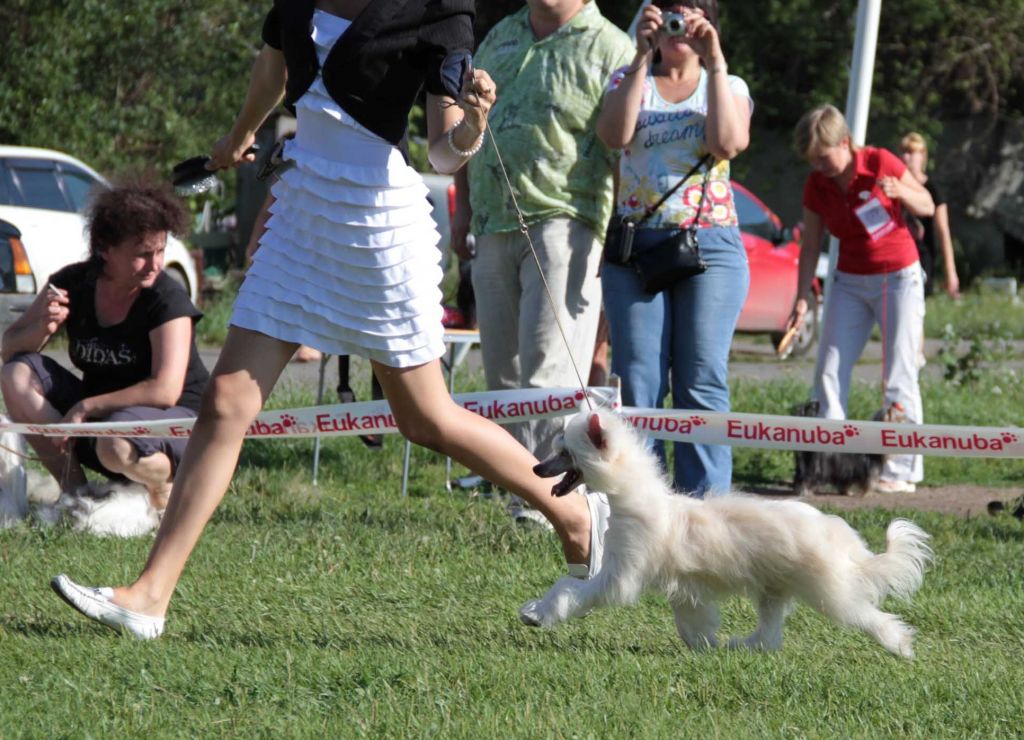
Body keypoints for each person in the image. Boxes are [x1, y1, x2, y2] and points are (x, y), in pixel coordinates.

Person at [51, 0, 607, 640]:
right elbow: (274, 68)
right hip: (301, 207)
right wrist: (236, 138)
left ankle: (576, 517)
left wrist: (473, 122)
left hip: (376, 224)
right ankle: (148, 598)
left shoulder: (438, 10)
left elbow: (446, 154)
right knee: (228, 401)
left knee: (426, 419)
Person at [451, 0, 633, 465]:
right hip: (492, 223)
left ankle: (553, 502)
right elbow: (467, 122)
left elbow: (625, 153)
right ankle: (517, 491)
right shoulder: (500, 35)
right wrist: (463, 209)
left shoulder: (612, 47)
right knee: (502, 378)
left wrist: (618, 241)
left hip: (567, 224)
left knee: (548, 376)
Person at [594, 1, 752, 497]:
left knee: (700, 381)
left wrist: (716, 60)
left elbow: (727, 143)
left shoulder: (729, 85)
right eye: (668, 18)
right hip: (637, 246)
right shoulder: (626, 78)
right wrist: (640, 58)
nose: (677, 30)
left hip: (710, 246)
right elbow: (613, 136)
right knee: (637, 384)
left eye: (690, 17)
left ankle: (708, 518)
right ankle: (644, 509)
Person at [0, 181, 209, 511]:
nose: (156, 264)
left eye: (160, 251)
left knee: (114, 445)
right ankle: (76, 494)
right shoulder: (71, 282)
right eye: (143, 254)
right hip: (106, 421)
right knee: (16, 374)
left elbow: (165, 390)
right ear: (104, 248)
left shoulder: (168, 299)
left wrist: (87, 407)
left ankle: (161, 483)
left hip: (174, 421)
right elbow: (8, 348)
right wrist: (41, 329)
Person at [787, 104, 934, 494]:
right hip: (849, 282)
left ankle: (900, 471)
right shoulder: (816, 185)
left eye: (824, 156)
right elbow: (811, 245)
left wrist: (902, 190)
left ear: (846, 143)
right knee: (828, 369)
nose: (819, 166)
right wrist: (803, 297)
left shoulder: (880, 161)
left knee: (897, 372)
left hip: (898, 278)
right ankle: (834, 465)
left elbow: (928, 206)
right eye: (813, 160)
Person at [899, 132, 960, 299]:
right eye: (903, 151)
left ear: (922, 155)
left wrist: (950, 272)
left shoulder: (933, 188)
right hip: (898, 255)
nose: (906, 157)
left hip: (922, 257)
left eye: (911, 152)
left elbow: (943, 231)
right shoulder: (895, 185)